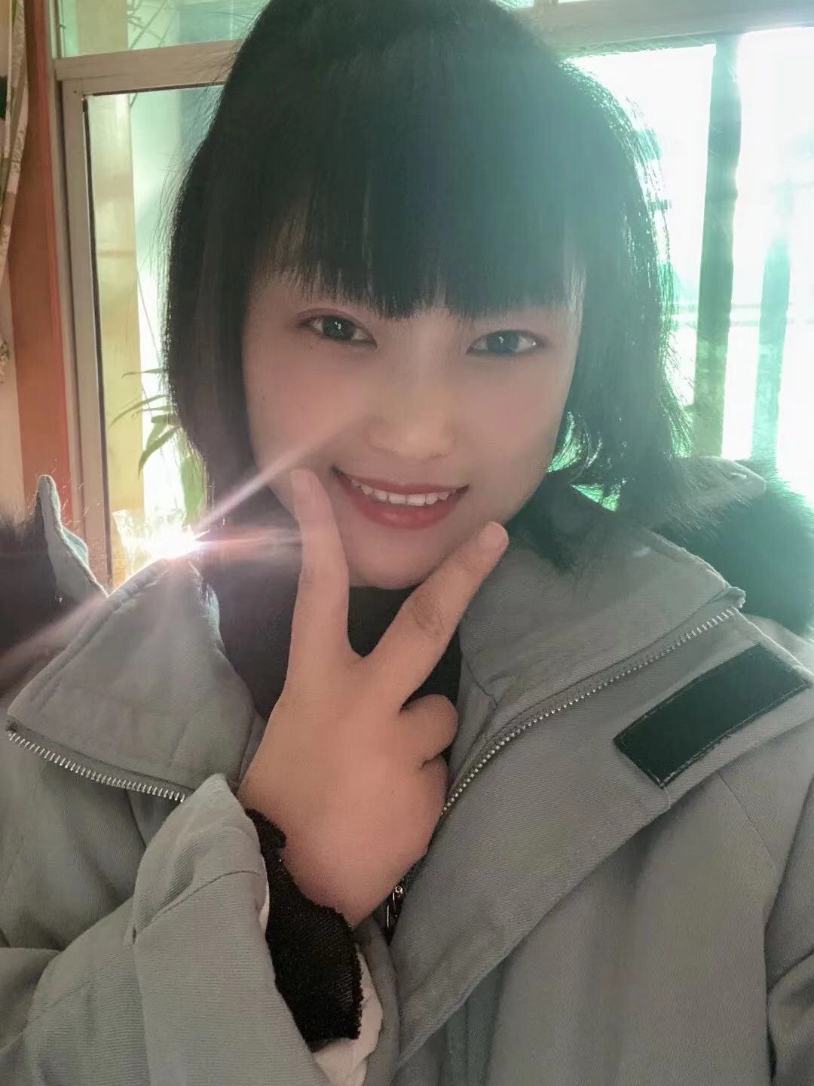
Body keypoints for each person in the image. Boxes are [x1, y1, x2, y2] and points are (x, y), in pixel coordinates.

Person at [1, 0, 814, 1082]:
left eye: (504, 340)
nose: (419, 430)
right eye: (340, 326)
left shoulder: (762, 750)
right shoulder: (61, 751)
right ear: (224, 320)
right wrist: (279, 894)